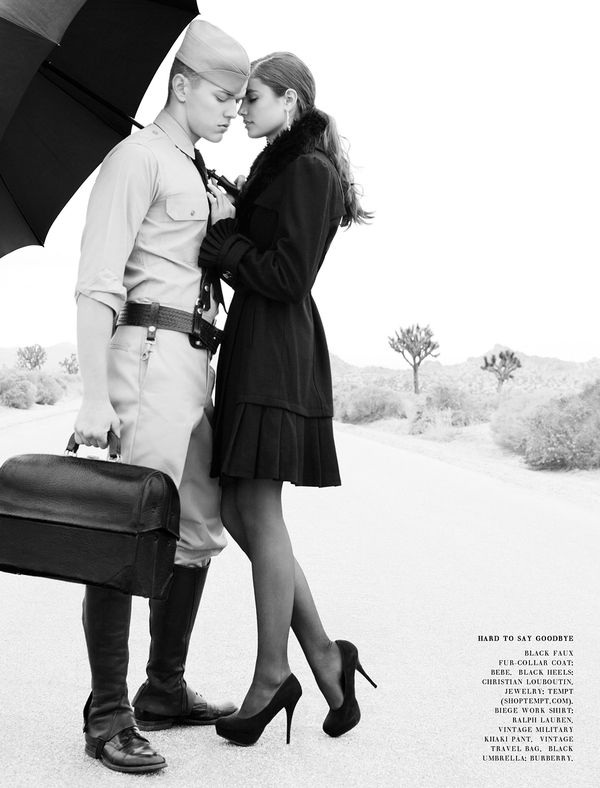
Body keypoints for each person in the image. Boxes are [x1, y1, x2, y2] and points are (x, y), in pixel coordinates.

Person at [72, 19, 249, 773]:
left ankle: (163, 690)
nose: (232, 111)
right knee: (126, 529)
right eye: (222, 96)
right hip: (143, 359)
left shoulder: (195, 170)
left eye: (240, 99)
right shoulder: (135, 158)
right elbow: (96, 284)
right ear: (181, 85)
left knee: (199, 527)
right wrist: (93, 397)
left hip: (195, 364)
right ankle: (107, 715)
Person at [198, 51, 377, 747]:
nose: (241, 108)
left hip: (277, 351)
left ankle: (274, 674)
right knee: (238, 511)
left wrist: (227, 245)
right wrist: (231, 215)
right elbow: (263, 256)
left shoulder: (309, 169)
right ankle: (326, 656)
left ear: (290, 102)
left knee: (259, 510)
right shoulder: (283, 166)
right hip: (256, 344)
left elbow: (289, 274)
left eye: (252, 98)